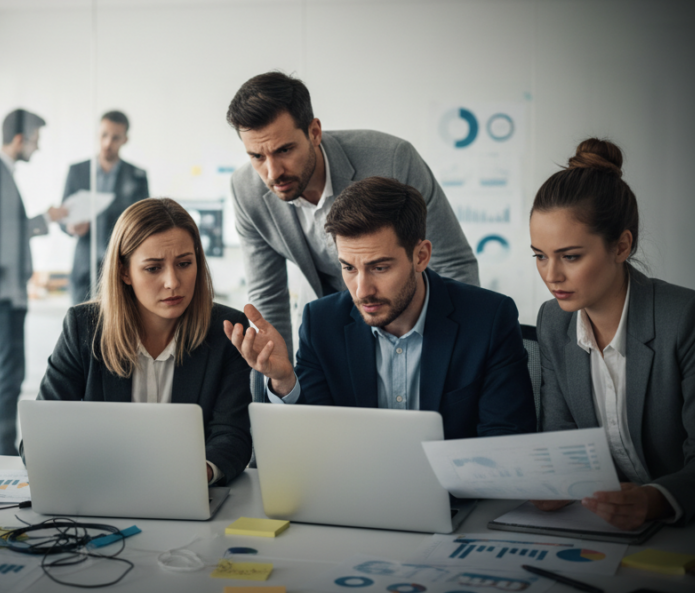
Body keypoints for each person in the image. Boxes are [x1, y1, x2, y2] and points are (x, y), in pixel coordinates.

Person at [227, 71, 479, 397]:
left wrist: (457, 364)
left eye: (285, 150)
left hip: (412, 320)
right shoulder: (246, 190)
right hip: (332, 328)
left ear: (314, 132)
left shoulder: (392, 160)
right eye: (257, 156)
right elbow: (268, 300)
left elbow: (454, 264)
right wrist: (281, 393)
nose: (272, 172)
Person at [225, 176, 535, 440]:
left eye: (380, 268)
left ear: (421, 256)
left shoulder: (488, 319)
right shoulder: (321, 323)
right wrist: (285, 382)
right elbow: (316, 439)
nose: (362, 291)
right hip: (355, 500)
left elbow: (504, 441)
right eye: (348, 268)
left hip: (459, 502)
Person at [530, 138, 695, 529]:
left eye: (570, 256)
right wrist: (555, 481)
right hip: (601, 529)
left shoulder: (690, 319)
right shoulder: (553, 321)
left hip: (692, 530)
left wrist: (655, 500)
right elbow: (561, 441)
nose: (551, 275)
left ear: (621, 246)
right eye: (540, 256)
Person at [35, 198, 253, 485]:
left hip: (190, 493)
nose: (173, 282)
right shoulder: (83, 327)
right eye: (153, 268)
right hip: (102, 491)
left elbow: (232, 434)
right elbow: (40, 435)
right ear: (124, 271)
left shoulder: (226, 329)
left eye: (185, 263)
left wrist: (202, 472)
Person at [0, 108, 67, 456]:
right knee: (9, 372)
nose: (37, 148)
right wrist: (44, 220)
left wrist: (44, 219)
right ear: (21, 139)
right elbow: (2, 237)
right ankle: (2, 454)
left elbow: (7, 231)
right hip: (0, 288)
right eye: (36, 141)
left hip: (1, 286)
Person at [62, 111, 150, 304]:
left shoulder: (137, 176)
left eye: (115, 137)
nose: (108, 143)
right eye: (104, 135)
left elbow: (145, 225)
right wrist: (70, 226)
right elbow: (63, 217)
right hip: (84, 269)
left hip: (121, 269)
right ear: (97, 134)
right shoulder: (77, 172)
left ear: (125, 139)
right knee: (81, 329)